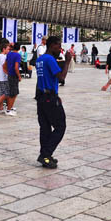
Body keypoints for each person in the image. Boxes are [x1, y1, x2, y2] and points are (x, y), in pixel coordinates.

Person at [36, 36, 71, 168]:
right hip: (49, 98)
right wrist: (67, 61)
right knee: (60, 126)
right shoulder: (50, 59)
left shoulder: (40, 59)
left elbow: (42, 80)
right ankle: (45, 154)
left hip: (42, 97)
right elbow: (61, 77)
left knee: (45, 128)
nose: (60, 49)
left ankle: (45, 156)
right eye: (58, 46)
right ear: (52, 46)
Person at [4, 42, 22, 116]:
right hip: (14, 75)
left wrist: (7, 72)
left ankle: (10, 107)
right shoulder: (18, 55)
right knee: (14, 93)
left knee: (11, 91)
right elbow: (16, 67)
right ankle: (8, 110)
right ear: (19, 48)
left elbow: (4, 65)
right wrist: (19, 76)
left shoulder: (9, 54)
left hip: (10, 75)